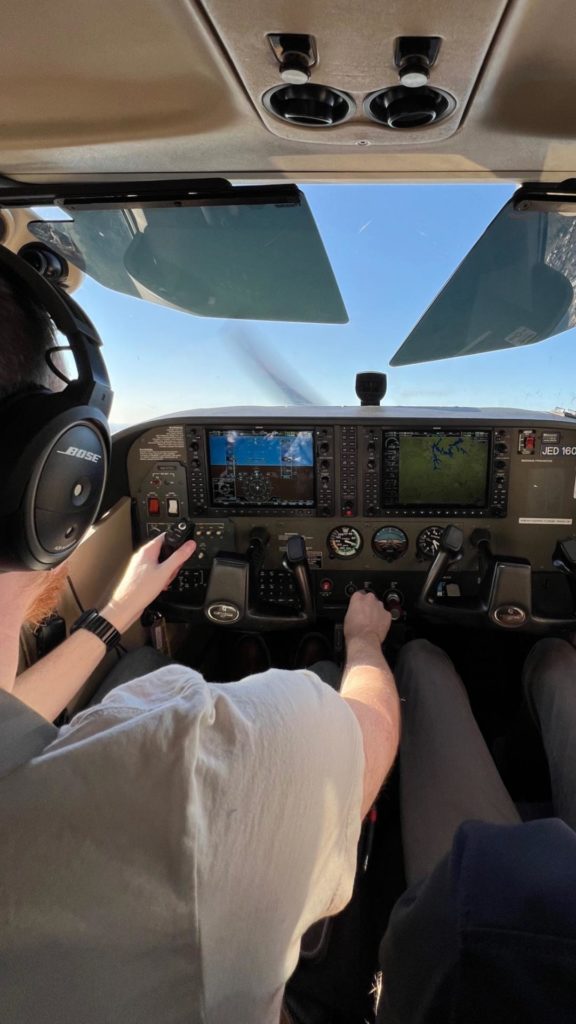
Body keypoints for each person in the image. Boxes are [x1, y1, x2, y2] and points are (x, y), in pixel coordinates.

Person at [0, 266, 401, 1024]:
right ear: (52, 481)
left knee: (150, 657)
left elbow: (13, 715)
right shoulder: (182, 767)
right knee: (336, 672)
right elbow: (372, 737)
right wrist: (365, 644)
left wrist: (119, 610)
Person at [376, 637, 576, 1024]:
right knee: (559, 663)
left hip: (492, 936)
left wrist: (364, 644)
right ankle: (507, 758)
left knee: (422, 664)